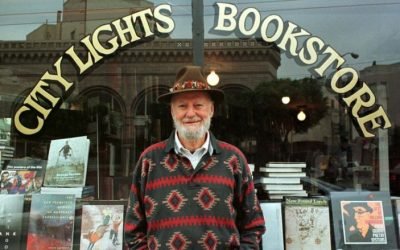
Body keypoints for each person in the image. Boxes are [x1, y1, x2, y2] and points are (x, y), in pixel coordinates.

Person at [124, 66, 265, 249]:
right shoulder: (149, 160)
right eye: (182, 106)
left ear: (212, 110)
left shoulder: (234, 160)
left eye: (198, 105)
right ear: (172, 112)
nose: (190, 113)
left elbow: (253, 227)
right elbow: (132, 231)